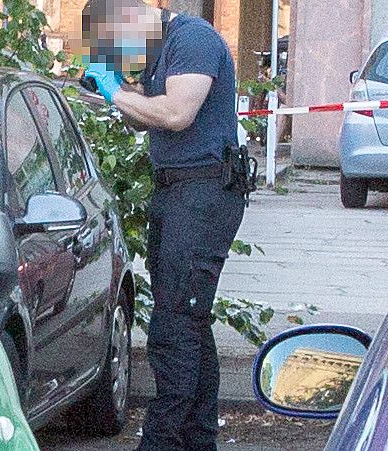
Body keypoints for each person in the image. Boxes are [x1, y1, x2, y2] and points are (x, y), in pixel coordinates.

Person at [82, 1, 246, 449]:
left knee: (174, 326)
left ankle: (161, 441)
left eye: (116, 44)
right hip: (178, 191)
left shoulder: (191, 40)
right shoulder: (160, 52)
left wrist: (116, 91)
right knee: (189, 318)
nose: (118, 55)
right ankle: (198, 440)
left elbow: (177, 114)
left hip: (204, 191)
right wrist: (112, 93)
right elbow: (144, 119)